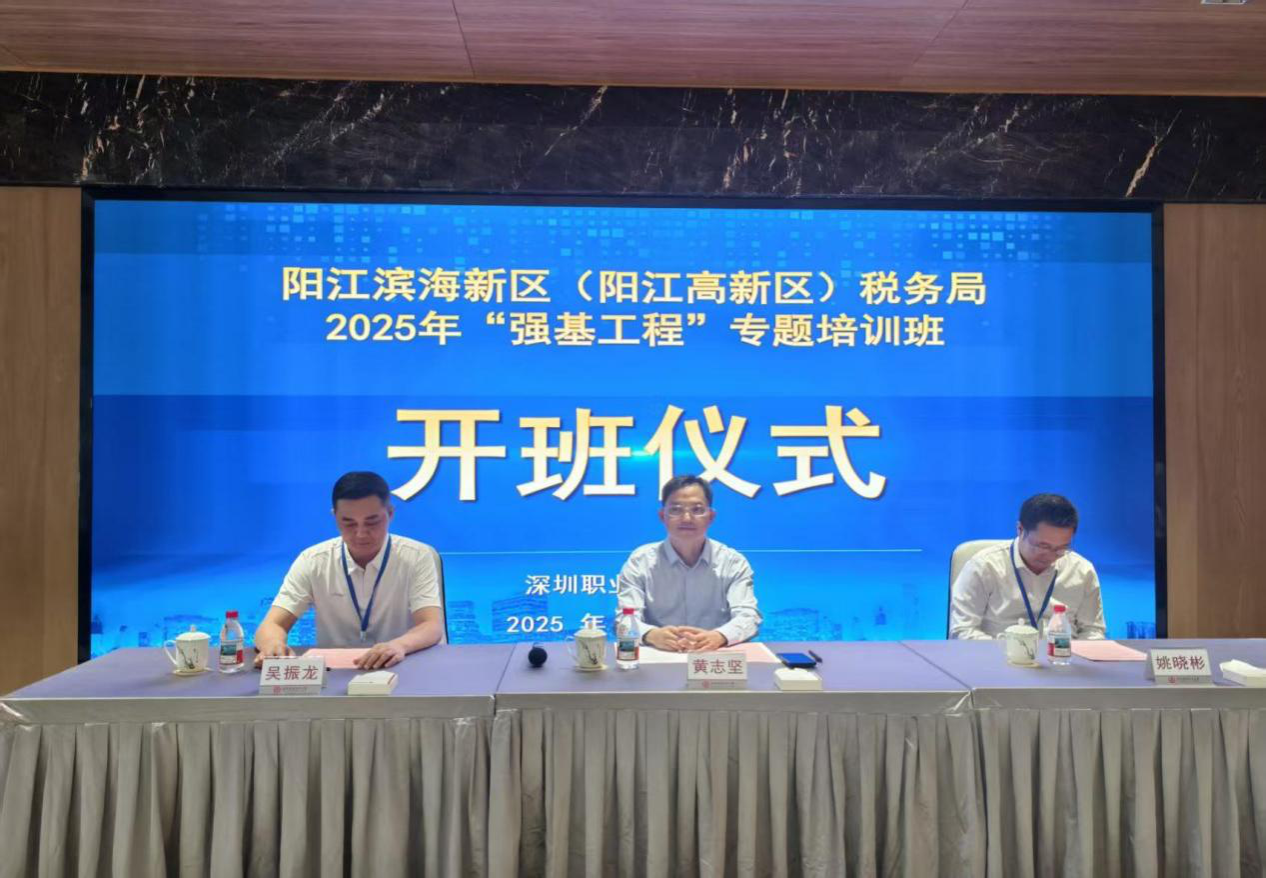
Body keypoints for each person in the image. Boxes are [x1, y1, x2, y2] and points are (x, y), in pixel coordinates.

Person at [254, 471, 445, 669]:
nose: (361, 533)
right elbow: (272, 624)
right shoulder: (312, 561)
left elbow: (431, 625)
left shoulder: (417, 556)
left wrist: (398, 646)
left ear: (390, 513)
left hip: (402, 667)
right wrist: (273, 646)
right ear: (335, 517)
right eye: (349, 523)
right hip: (333, 675)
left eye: (372, 522)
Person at [616, 474, 761, 652]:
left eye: (697, 510)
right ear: (662, 516)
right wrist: (650, 634)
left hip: (712, 657)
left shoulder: (733, 563)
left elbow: (748, 616)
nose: (686, 518)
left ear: (711, 516)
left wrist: (720, 636)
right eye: (676, 510)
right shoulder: (640, 562)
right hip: (659, 656)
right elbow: (625, 618)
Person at [949, 493, 1106, 640]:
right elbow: (962, 630)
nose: (1051, 556)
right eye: (1043, 546)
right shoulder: (984, 567)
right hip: (998, 656)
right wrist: (1008, 651)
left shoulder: (1082, 570)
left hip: (1063, 655)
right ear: (1020, 529)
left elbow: (1092, 631)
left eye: (1061, 548)